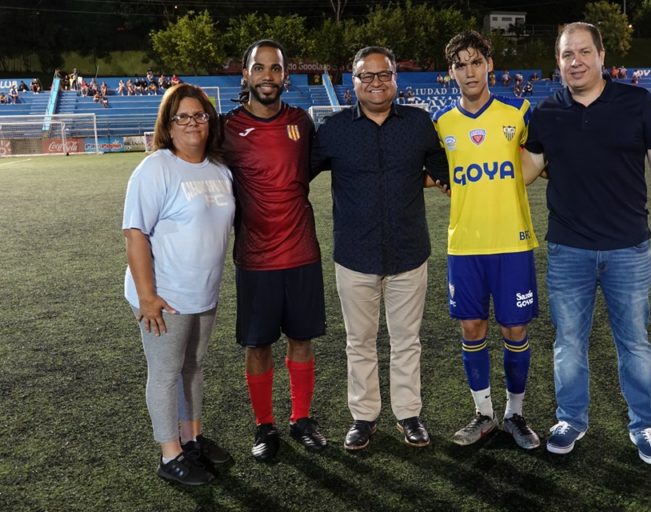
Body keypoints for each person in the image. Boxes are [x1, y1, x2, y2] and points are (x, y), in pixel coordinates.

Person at [522, 22, 651, 465]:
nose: (574, 61)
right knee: (567, 343)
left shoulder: (636, 103)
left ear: (602, 56)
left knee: (634, 344)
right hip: (568, 250)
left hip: (628, 250)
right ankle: (570, 419)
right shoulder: (544, 113)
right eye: (566, 54)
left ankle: (645, 425)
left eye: (583, 52)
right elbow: (522, 172)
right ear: (557, 61)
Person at [312, 45, 449, 451]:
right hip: (354, 255)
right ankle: (364, 417)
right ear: (353, 82)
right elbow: (293, 173)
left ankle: (409, 414)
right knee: (360, 341)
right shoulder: (334, 129)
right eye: (366, 76)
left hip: (409, 252)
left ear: (395, 78)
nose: (376, 82)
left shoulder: (420, 124)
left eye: (383, 74)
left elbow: (446, 171)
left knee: (407, 340)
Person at [122, 83, 235, 485]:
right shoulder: (156, 167)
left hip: (203, 293)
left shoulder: (219, 169)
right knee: (166, 372)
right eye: (181, 117)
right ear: (168, 126)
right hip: (165, 296)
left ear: (210, 120)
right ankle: (170, 455)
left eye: (199, 115)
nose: (192, 123)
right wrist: (147, 296)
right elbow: (135, 233)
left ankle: (192, 439)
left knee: (193, 368)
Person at [432, 31, 541, 450]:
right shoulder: (442, 124)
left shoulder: (519, 111)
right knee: (472, 326)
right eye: (461, 64)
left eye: (476, 61)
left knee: (515, 328)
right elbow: (436, 172)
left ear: (489, 65)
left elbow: (541, 160)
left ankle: (515, 414)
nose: (470, 70)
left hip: (512, 242)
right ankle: (483, 414)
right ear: (451, 73)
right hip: (465, 245)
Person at [221, 39, 328, 462]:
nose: (268, 76)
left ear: (286, 75)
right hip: (255, 259)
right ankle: (265, 426)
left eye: (276, 68)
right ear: (245, 75)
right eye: (259, 68)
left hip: (301, 253)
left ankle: (301, 419)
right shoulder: (226, 130)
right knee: (258, 345)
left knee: (302, 340)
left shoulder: (302, 123)